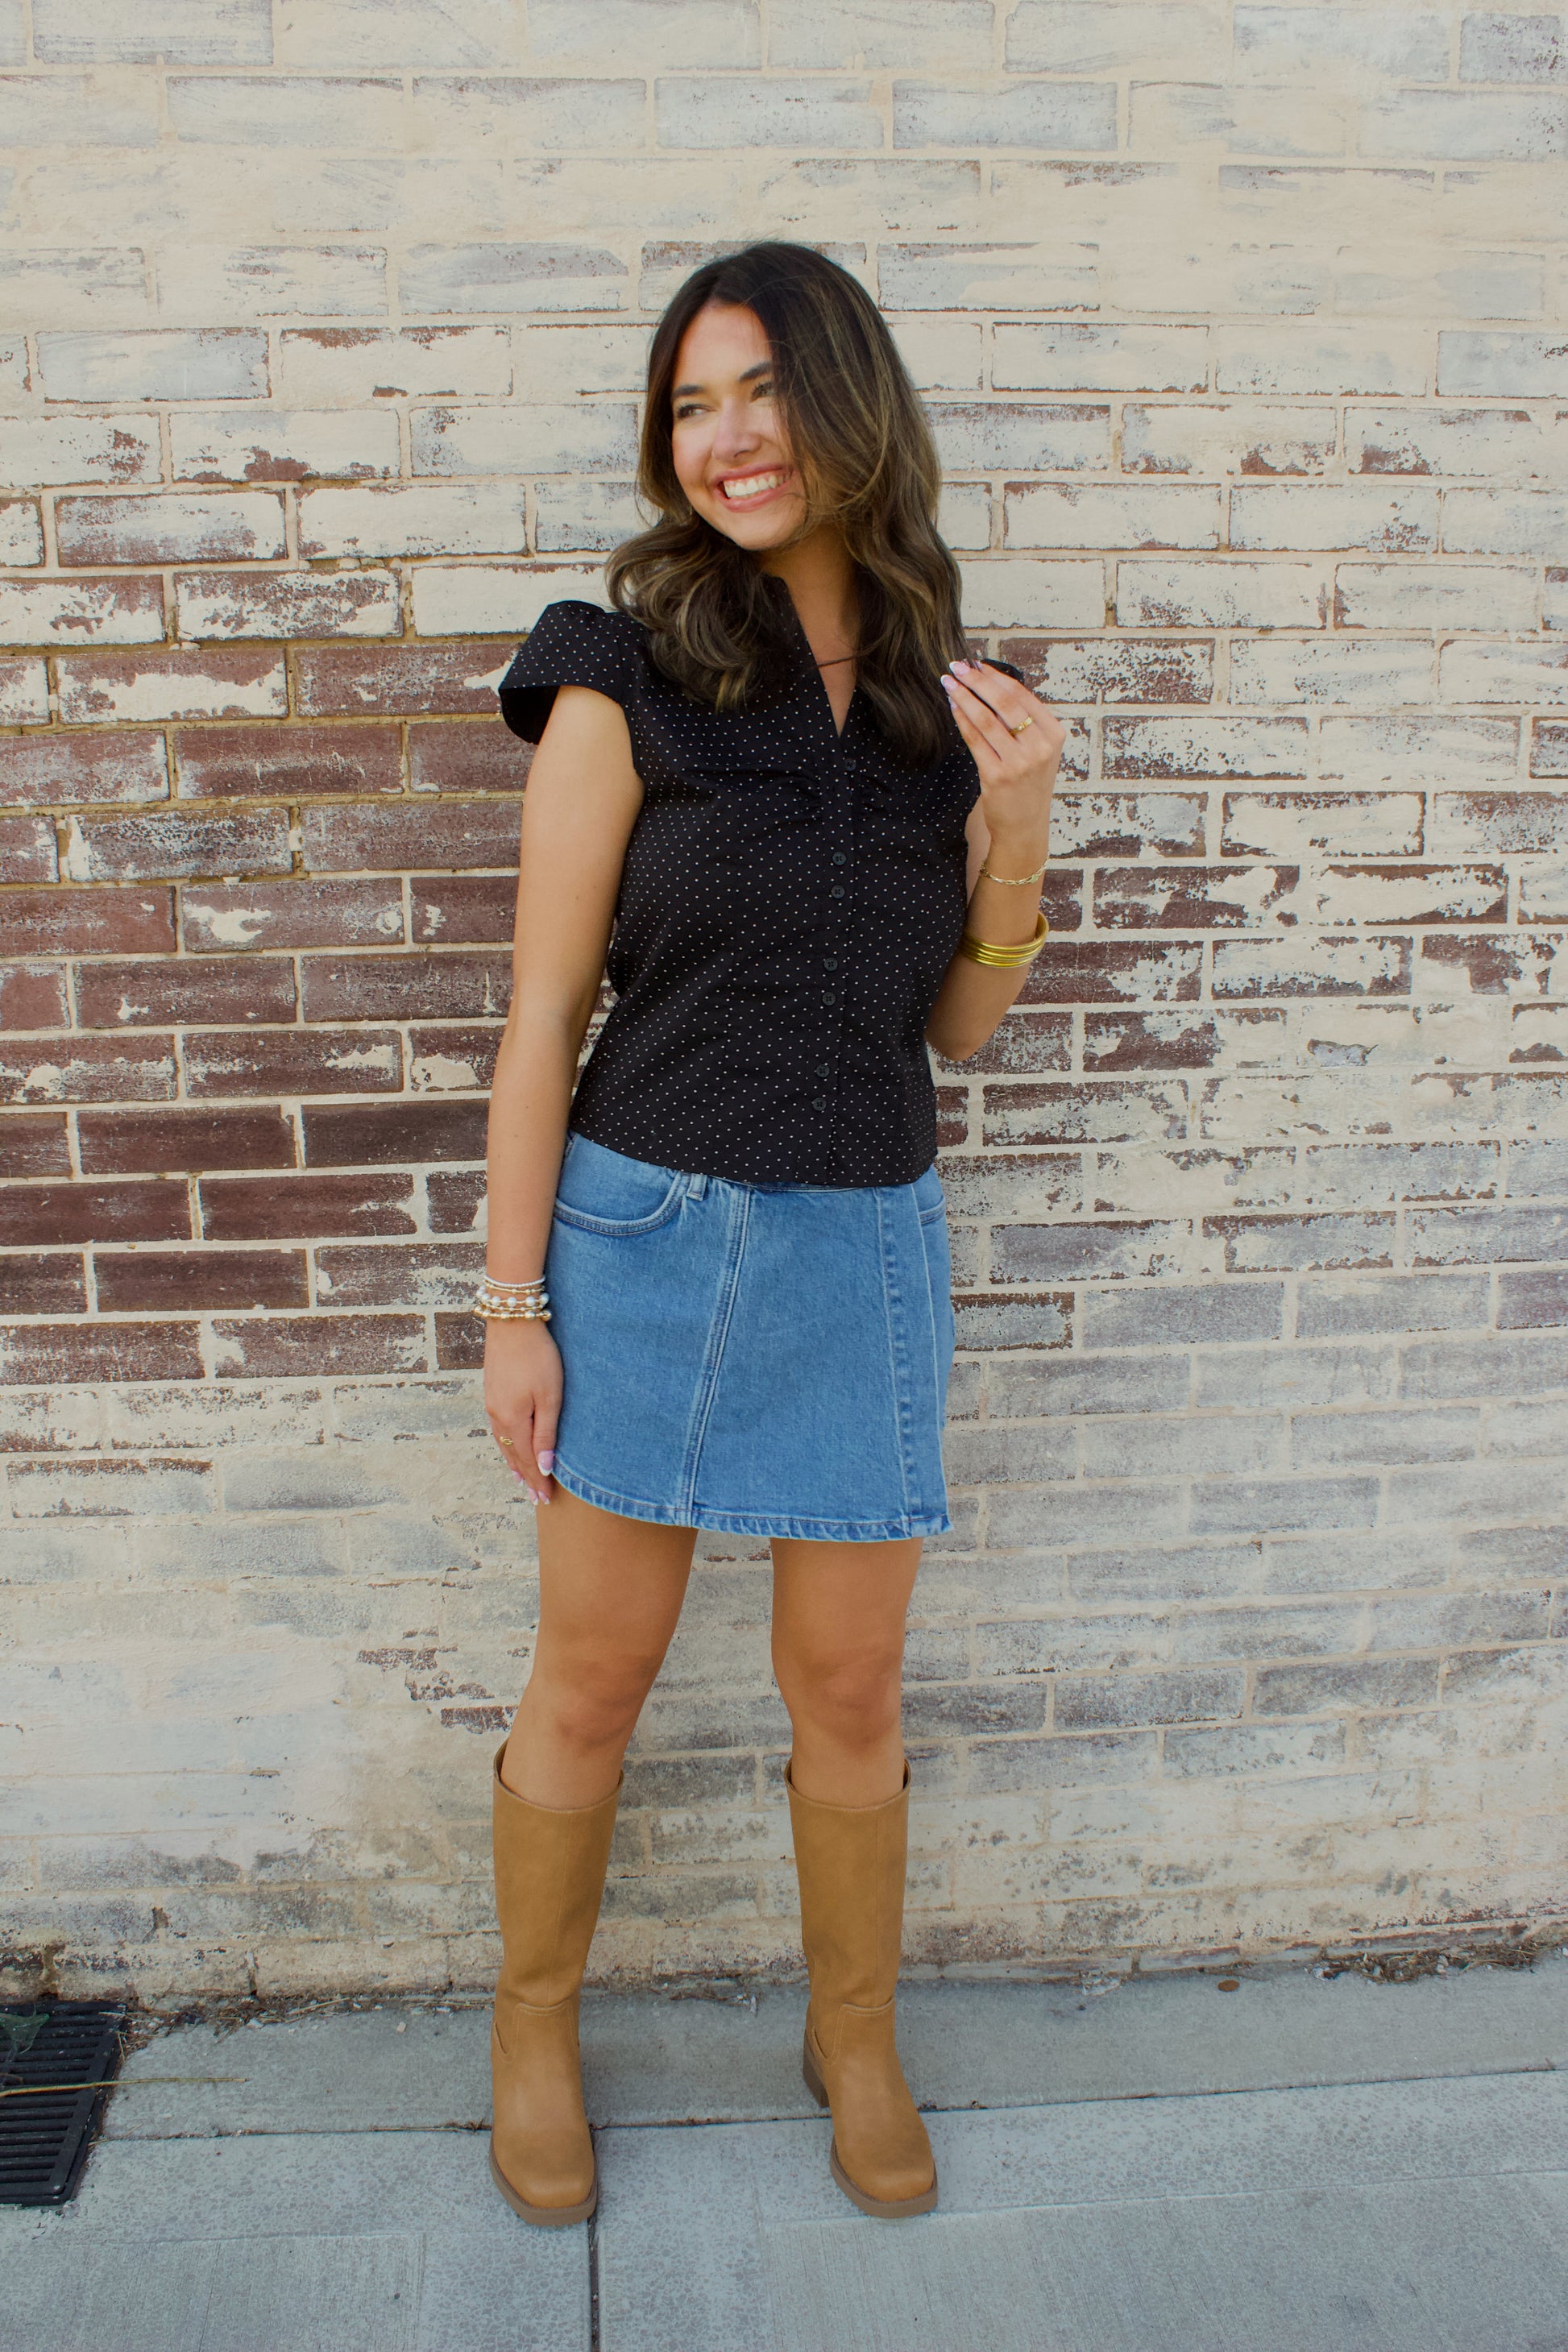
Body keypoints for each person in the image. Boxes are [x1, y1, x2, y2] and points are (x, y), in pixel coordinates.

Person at [479, 241, 1063, 2229]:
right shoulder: (618, 665)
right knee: (592, 1676)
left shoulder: (938, 691)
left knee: (852, 1687)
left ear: (849, 402)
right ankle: (532, 2027)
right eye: (691, 404)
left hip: (861, 1248)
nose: (725, 439)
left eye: (762, 392)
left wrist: (1016, 829)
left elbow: (954, 1025)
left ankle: (855, 2034)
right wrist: (511, 1303)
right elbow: (541, 1016)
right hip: (637, 1234)